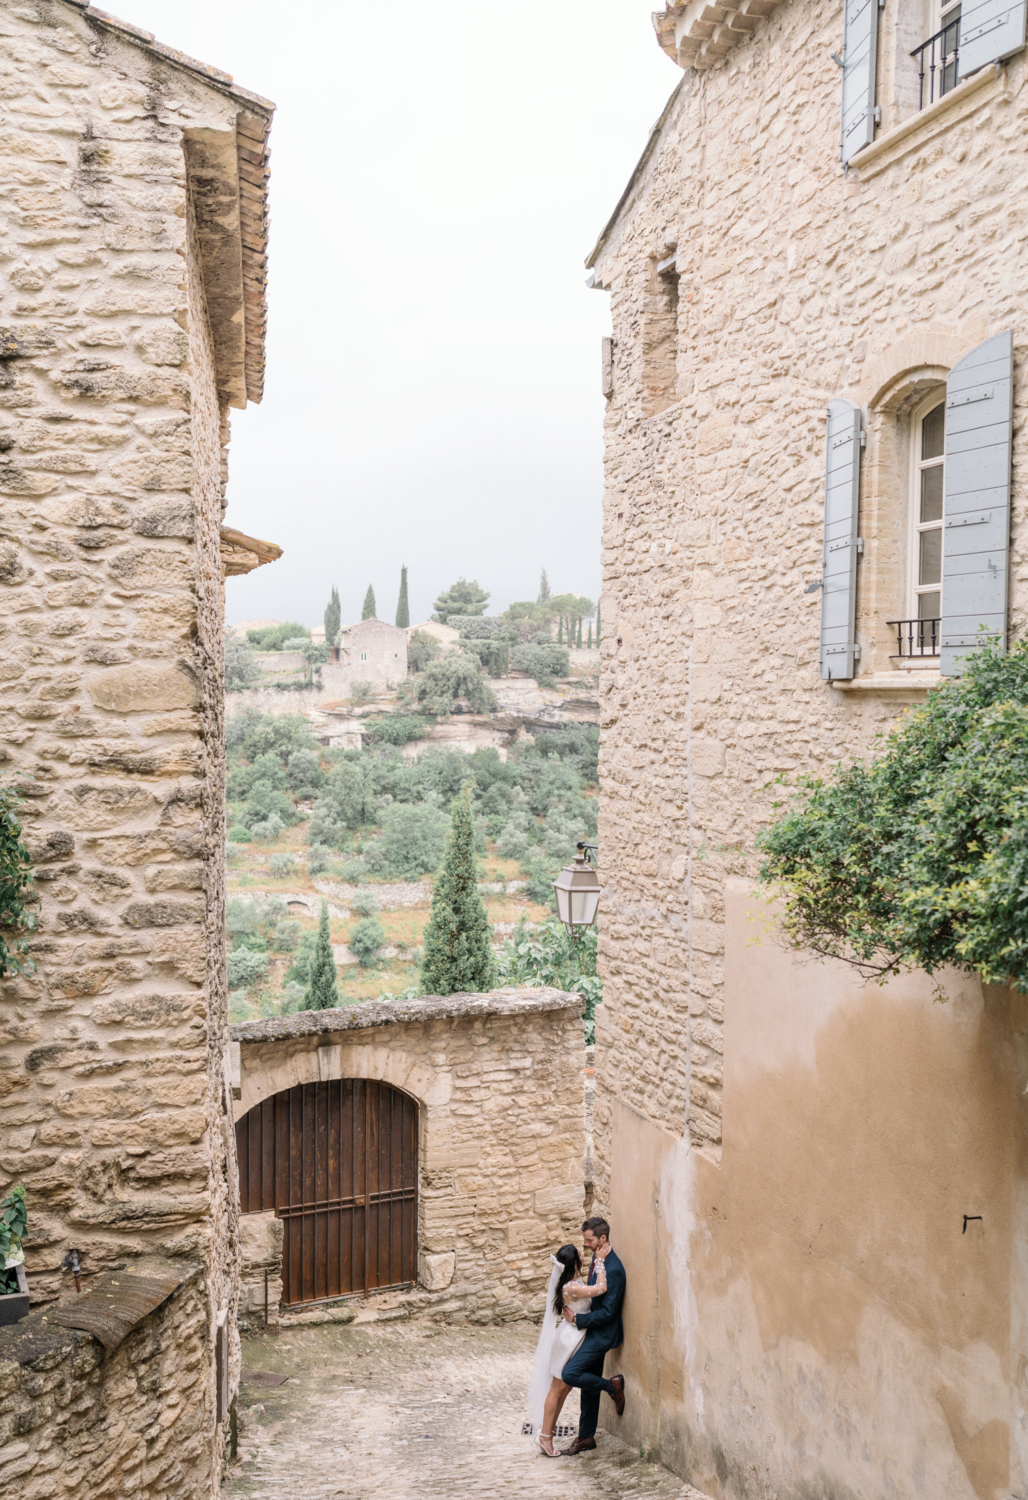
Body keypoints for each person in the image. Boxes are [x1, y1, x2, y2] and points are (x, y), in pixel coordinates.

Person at [525, 1240, 610, 1456]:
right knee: (558, 1389)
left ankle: (547, 1436)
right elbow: (601, 1288)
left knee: (564, 1388)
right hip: (570, 1339)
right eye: (580, 1255)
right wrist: (599, 1262)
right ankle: (545, 1436)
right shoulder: (571, 1286)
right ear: (573, 1263)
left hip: (574, 1335)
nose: (583, 1256)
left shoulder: (573, 1282)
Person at [557, 1216, 626, 1456]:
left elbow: (608, 1312)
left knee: (570, 1373)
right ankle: (586, 1437)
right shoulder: (599, 1260)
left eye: (589, 1240)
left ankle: (612, 1386)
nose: (586, 1245)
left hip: (603, 1334)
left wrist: (577, 1320)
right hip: (590, 1331)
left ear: (602, 1239)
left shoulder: (614, 1269)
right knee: (588, 1385)